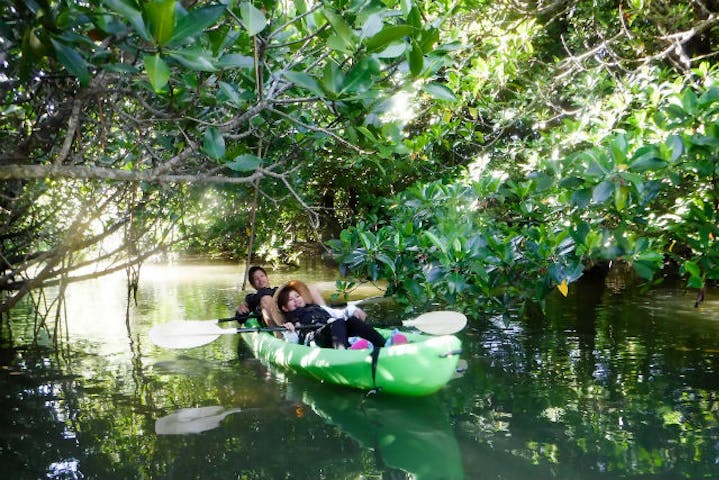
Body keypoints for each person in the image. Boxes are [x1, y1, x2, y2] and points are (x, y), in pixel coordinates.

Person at [272, 280, 387, 349]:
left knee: (352, 320)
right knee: (338, 323)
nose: (296, 300)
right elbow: (293, 343)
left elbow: (340, 313)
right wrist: (291, 331)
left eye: (297, 296)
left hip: (335, 330)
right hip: (316, 338)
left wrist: (353, 310)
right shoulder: (290, 322)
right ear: (285, 308)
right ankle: (344, 353)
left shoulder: (318, 307)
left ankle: (384, 344)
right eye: (291, 300)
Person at [236, 266, 325, 327]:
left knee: (311, 289)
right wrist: (240, 310)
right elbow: (240, 318)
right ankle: (280, 332)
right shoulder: (251, 298)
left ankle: (326, 313)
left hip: (290, 313)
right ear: (253, 285)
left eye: (262, 276)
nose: (260, 280)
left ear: (267, 277)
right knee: (266, 299)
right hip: (275, 322)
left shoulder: (277, 290)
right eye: (256, 279)